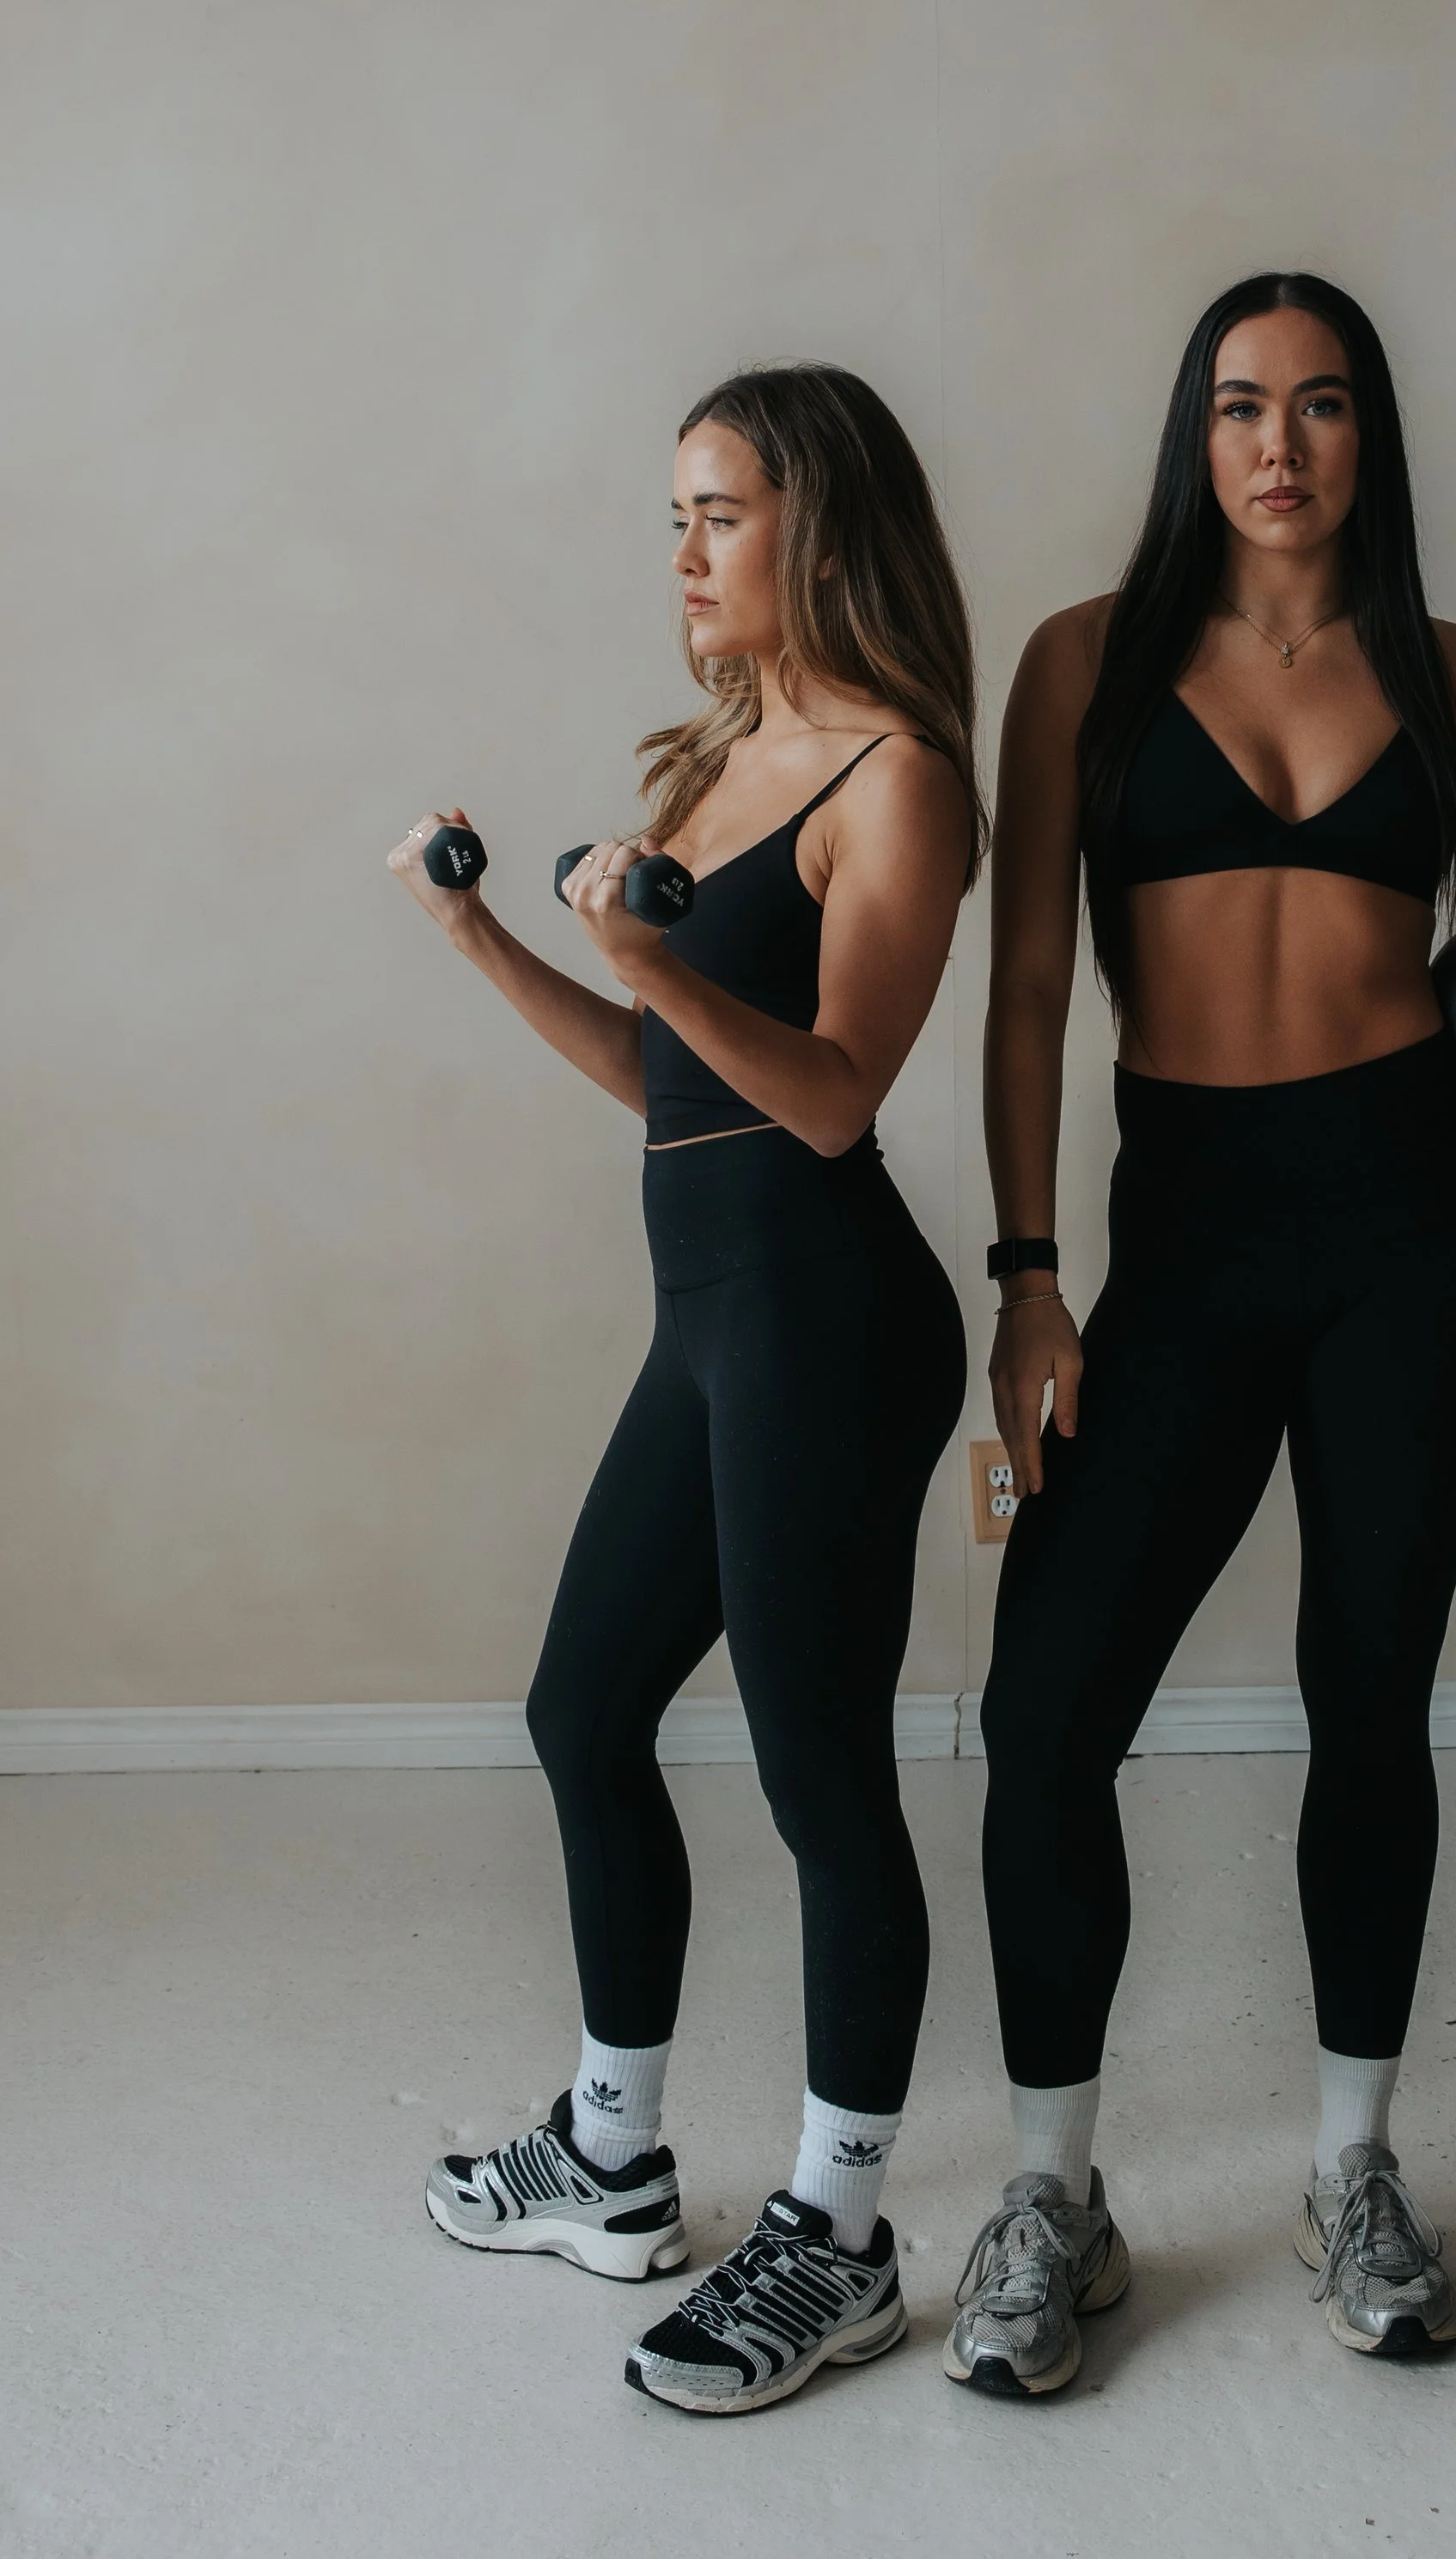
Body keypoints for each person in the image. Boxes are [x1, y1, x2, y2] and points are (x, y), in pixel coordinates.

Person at [947, 271, 1456, 2395]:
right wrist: (1027, 1271)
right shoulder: (1080, 665)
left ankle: (1352, 2164)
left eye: (1316, 405)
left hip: (1413, 1233)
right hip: (1184, 1235)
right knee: (1045, 1717)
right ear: (1188, 434)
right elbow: (1028, 984)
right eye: (1235, 404)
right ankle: (1055, 2189)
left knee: (1367, 1697)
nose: (1275, 443)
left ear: (1367, 436)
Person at [388, 363, 980, 2416]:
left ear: (817, 526)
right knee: (579, 1708)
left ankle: (839, 2233)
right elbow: (666, 1083)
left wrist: (650, 958)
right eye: (675, 515)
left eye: (715, 513)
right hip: (711, 1313)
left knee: (821, 1782)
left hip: (829, 1318)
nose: (682, 554)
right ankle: (614, 2152)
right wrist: (483, 938)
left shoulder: (901, 777)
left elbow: (826, 1096)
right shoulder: (721, 762)